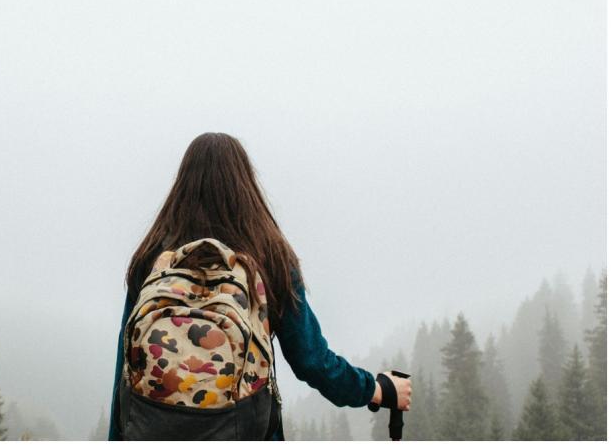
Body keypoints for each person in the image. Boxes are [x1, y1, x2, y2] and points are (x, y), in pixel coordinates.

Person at [109, 132, 411, 440]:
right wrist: (376, 389)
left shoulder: (153, 257)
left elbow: (125, 370)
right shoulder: (269, 255)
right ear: (245, 185)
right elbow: (312, 361)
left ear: (182, 184)